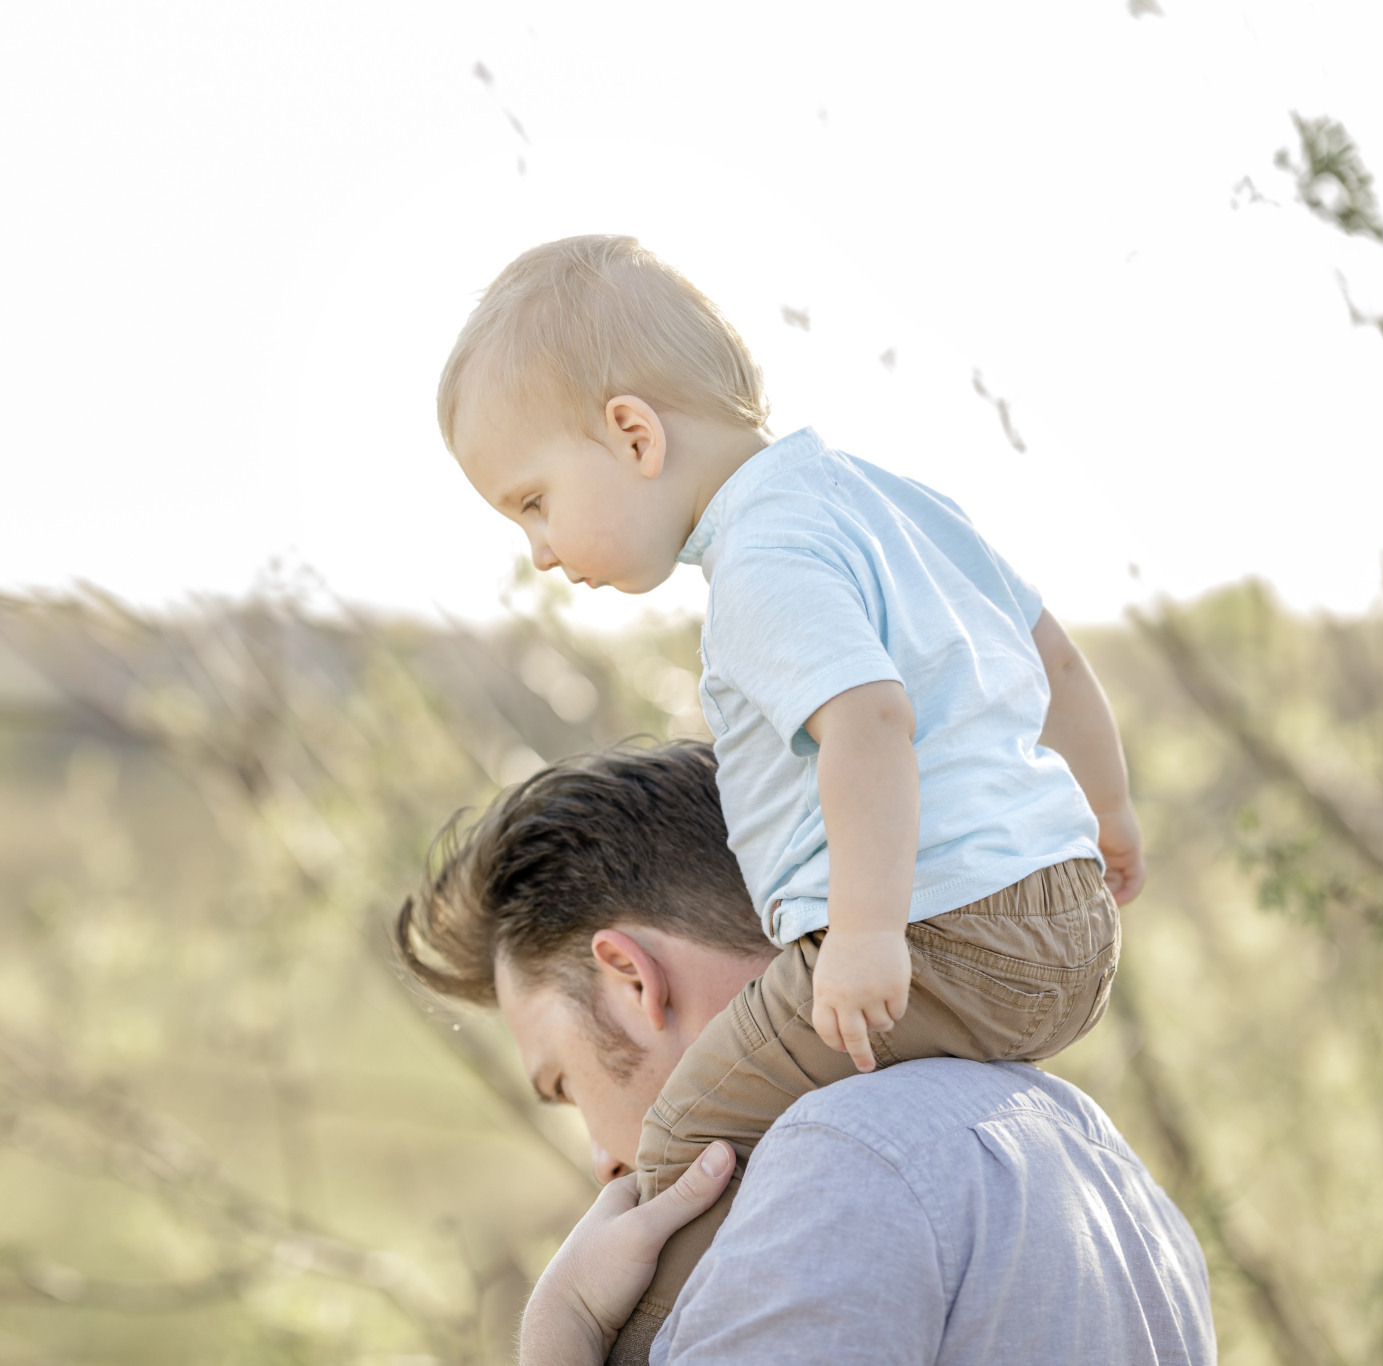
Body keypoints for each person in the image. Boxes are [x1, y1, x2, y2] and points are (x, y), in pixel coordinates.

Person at [430, 234, 1147, 1345]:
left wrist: (862, 937)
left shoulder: (762, 562)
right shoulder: (905, 505)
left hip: (943, 930)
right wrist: (1107, 821)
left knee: (679, 1159)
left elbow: (867, 721)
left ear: (632, 433)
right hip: (1066, 921)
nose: (539, 549)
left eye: (533, 501)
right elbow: (1055, 659)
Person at [396, 743, 1213, 1365]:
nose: (603, 1161)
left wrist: (560, 1326)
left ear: (630, 980)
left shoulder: (832, 1164)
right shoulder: (1086, 1144)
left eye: (565, 1084)